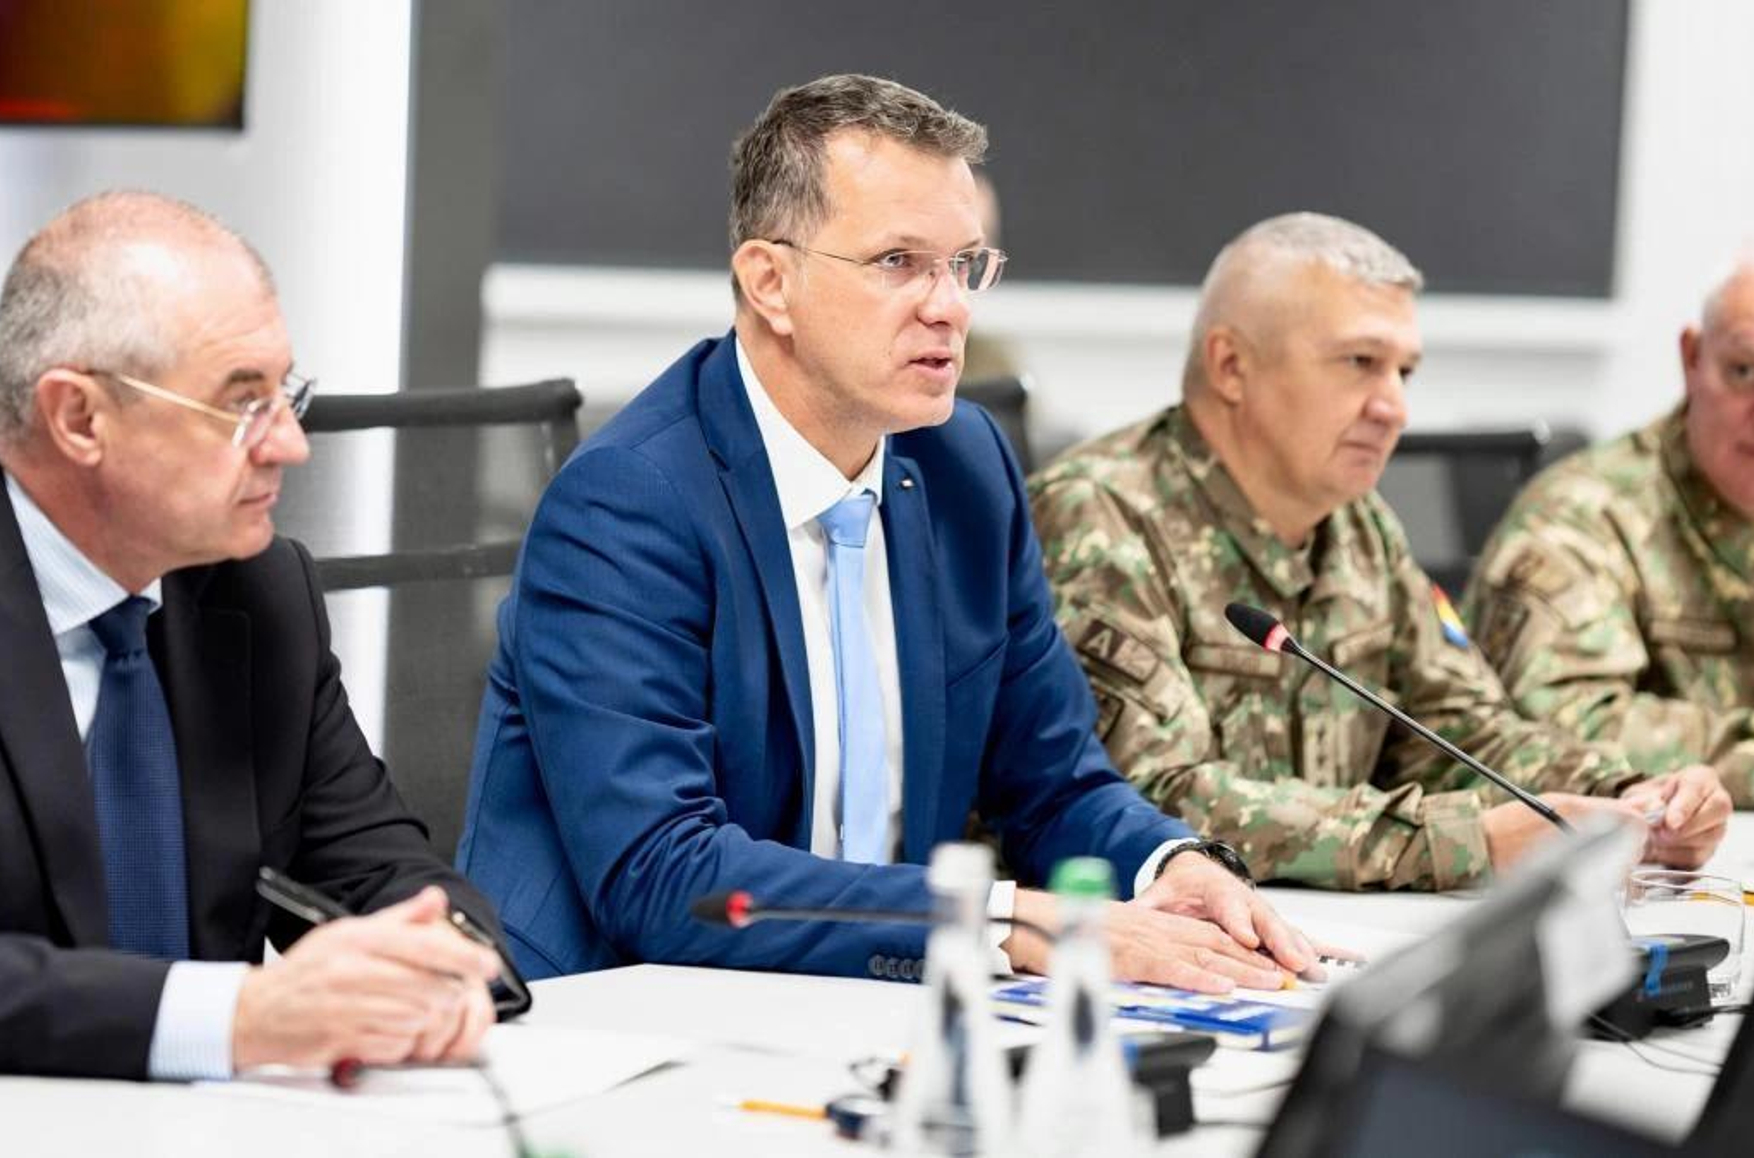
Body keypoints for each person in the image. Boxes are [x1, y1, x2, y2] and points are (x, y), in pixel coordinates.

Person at [458, 75, 1315, 990]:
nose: (950, 307)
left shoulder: (963, 468)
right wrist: (1004, 923)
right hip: (621, 1005)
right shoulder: (630, 502)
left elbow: (1052, 780)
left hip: (870, 995)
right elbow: (665, 878)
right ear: (770, 281)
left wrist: (1169, 863)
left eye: (965, 265)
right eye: (899, 262)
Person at [1028, 213, 1730, 892]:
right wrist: (1464, 843)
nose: (1393, 407)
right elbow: (1146, 797)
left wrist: (1631, 795)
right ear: (1232, 366)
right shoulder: (1101, 515)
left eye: (1404, 373)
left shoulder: (1358, 524)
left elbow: (1460, 730)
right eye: (1360, 363)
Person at [0, 191, 508, 1081]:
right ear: (79, 418)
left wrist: (442, 964)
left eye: (286, 395)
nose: (291, 446)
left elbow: (381, 871)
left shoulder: (258, 593)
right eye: (242, 404)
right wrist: (239, 1015)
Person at [1465, 260, 1754, 807]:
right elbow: (1561, 725)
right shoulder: (1581, 515)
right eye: (1744, 371)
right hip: (1642, 849)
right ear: (1692, 358)